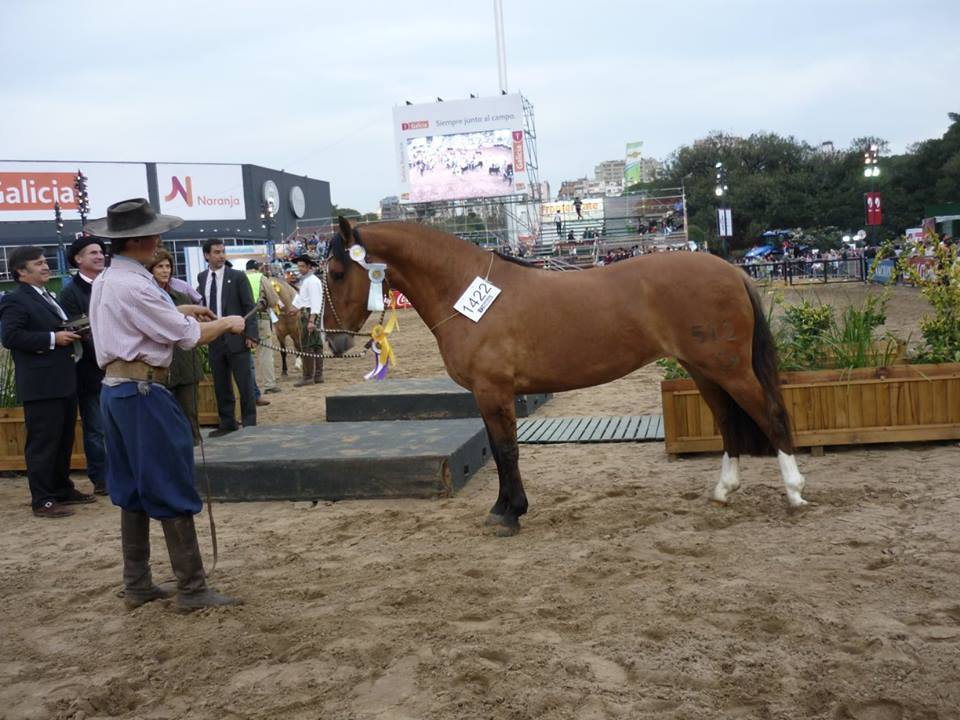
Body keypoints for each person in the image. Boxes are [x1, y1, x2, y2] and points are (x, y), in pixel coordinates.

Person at [87, 198, 245, 611]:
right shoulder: (137, 285)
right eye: (154, 234)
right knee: (169, 480)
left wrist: (182, 310)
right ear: (138, 240)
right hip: (144, 393)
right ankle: (191, 588)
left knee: (132, 485)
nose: (159, 239)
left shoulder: (108, 279)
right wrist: (228, 322)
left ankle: (137, 582)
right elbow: (188, 337)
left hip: (116, 391)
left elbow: (143, 321)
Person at [0, 247, 95, 518]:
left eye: (45, 262)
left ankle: (61, 488)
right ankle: (42, 499)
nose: (45, 267)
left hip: (63, 379)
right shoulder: (16, 300)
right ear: (21, 271)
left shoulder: (48, 296)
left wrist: (75, 331)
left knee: (64, 439)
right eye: (38, 263)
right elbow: (11, 337)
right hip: (41, 384)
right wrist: (54, 339)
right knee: (44, 442)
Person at [59, 235, 109, 495]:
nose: (99, 256)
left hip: (117, 367)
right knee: (96, 428)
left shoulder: (110, 284)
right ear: (78, 259)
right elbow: (78, 330)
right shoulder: (70, 293)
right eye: (93, 253)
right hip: (91, 371)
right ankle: (101, 478)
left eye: (101, 252)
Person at [196, 239, 258, 437]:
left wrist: (251, 334)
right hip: (214, 339)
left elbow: (250, 306)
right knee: (221, 384)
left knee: (245, 383)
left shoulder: (237, 276)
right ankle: (227, 422)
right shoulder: (202, 277)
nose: (221, 255)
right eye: (216, 252)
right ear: (207, 255)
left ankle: (249, 423)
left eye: (223, 251)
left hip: (237, 337)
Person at [148, 249, 204, 445]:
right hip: (161, 366)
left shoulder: (182, 296)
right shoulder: (148, 298)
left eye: (168, 266)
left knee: (190, 414)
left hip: (186, 362)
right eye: (160, 266)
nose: (165, 270)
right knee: (165, 417)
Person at [244, 259, 281, 396]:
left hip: (242, 321)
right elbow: (273, 300)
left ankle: (249, 387)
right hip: (260, 319)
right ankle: (269, 384)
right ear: (257, 268)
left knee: (246, 355)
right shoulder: (261, 278)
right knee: (265, 352)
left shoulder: (240, 277)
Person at [289, 253, 324, 386]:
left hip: (309, 314)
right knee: (316, 345)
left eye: (302, 266)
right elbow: (301, 297)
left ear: (309, 266)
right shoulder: (306, 280)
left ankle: (308, 376)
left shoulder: (313, 281)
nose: (300, 269)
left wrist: (311, 320)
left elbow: (316, 301)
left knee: (307, 345)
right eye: (299, 266)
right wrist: (294, 308)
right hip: (307, 313)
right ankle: (318, 375)